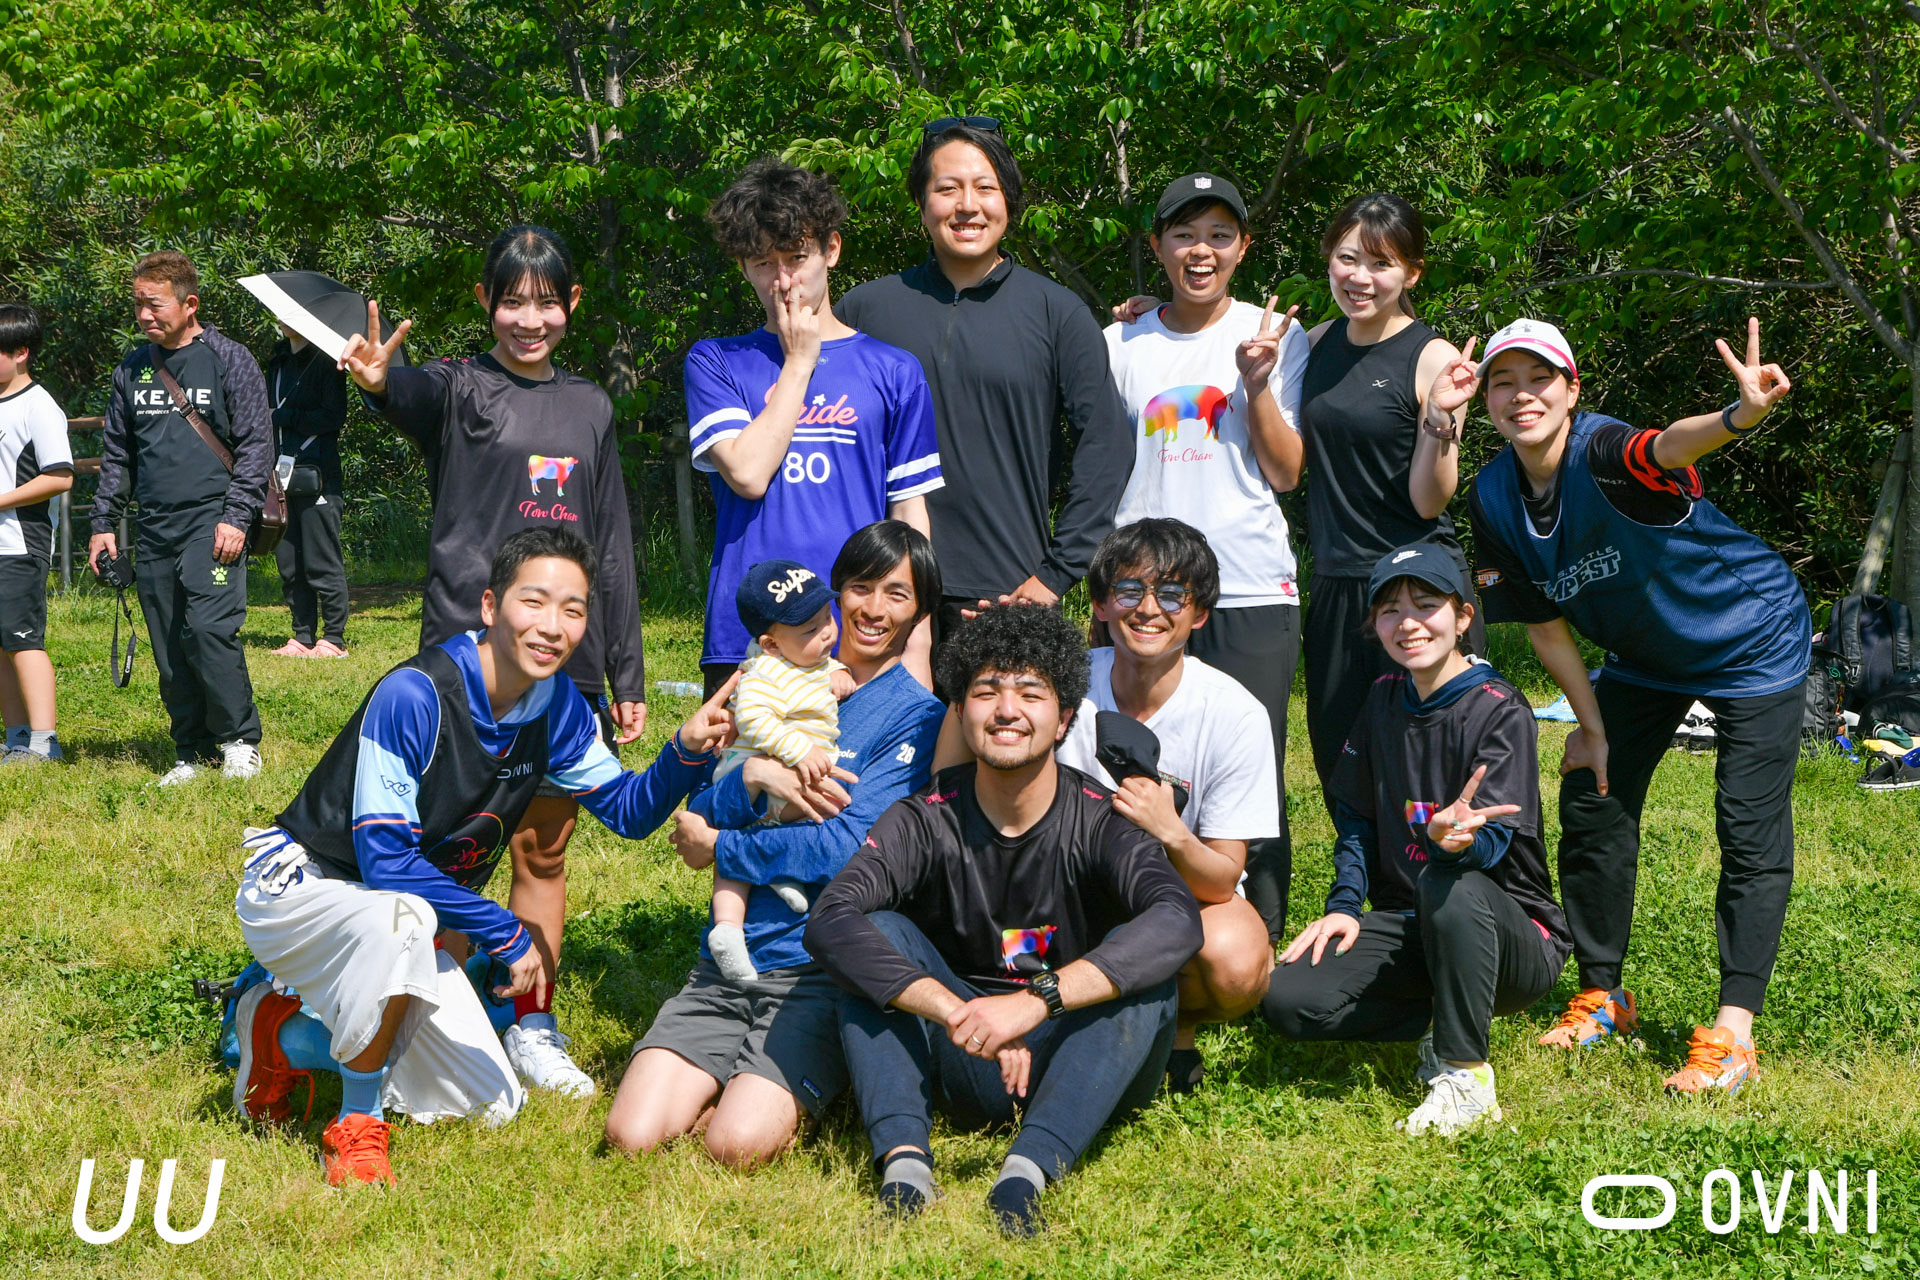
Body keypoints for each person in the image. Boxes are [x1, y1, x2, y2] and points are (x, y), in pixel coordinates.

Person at [229, 529, 735, 1187]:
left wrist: (686, 749)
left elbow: (630, 814)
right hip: (303, 886)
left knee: (490, 1102)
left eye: (573, 609)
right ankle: (357, 1123)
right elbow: (385, 862)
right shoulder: (416, 693)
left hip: (395, 913)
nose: (553, 626)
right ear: (492, 607)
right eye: (535, 602)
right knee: (406, 921)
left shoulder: (558, 706)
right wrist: (505, 931)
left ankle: (281, 1029)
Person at [1459, 316, 1808, 1093]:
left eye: (1540, 379)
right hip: (1646, 658)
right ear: (1486, 401)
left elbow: (1668, 447)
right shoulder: (1491, 495)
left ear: (1571, 389)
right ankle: (1604, 996)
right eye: (1503, 383)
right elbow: (1546, 628)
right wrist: (1591, 728)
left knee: (1747, 825)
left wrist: (1738, 416)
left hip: (1749, 636)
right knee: (1593, 790)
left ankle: (1733, 1032)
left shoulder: (1604, 450)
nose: (1522, 396)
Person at [339, 226, 644, 1097]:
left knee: (542, 852)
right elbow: (405, 392)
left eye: (546, 302)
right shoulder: (459, 388)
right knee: (447, 852)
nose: (529, 320)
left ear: (571, 304)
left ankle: (533, 1026)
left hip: (564, 665)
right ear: (486, 303)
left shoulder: (590, 406)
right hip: (466, 663)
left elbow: (610, 544)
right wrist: (379, 382)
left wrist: (623, 670)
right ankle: (421, 1014)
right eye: (512, 301)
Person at [806, 604, 1204, 1238]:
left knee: (1143, 971)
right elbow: (830, 920)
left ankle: (1026, 1174)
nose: (1007, 710)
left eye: (1030, 693)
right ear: (961, 711)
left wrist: (1034, 1003)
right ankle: (904, 1167)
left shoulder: (1101, 819)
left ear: (1064, 717)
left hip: (1079, 1056)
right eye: (987, 691)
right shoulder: (924, 817)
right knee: (872, 937)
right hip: (958, 1051)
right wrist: (957, 1011)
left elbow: (1178, 919)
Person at [604, 520, 945, 1169]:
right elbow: (703, 811)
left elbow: (848, 848)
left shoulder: (917, 717)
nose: (874, 608)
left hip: (815, 973)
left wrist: (723, 849)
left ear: (920, 609)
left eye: (897, 594)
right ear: (836, 593)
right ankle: (734, 1078)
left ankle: (782, 1089)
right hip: (727, 965)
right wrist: (754, 779)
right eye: (862, 587)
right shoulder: (772, 678)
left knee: (734, 1147)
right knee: (630, 1134)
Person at [1262, 543, 1569, 1135]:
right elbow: (1355, 818)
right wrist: (1344, 906)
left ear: (1463, 617)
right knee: (1286, 1000)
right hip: (1412, 925)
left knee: (1448, 882)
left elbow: (1495, 843)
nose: (1407, 623)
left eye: (1426, 605)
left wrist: (1456, 841)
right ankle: (1442, 1017)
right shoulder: (1382, 696)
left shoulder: (1500, 708)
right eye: (1389, 611)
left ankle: (1465, 1074)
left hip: (1512, 939)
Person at [1101, 173, 1310, 941]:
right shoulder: (1119, 343)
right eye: (1185, 234)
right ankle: (1131, 919)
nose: (1202, 251)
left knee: (1252, 763)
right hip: (1140, 591)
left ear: (1243, 247)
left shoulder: (1274, 334)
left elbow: (1286, 471)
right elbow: (1101, 468)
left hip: (1250, 583)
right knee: (1125, 755)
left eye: (1220, 235)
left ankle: (1258, 934)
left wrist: (1256, 384)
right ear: (1157, 246)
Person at [836, 117, 1132, 634]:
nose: (967, 205)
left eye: (985, 188)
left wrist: (1057, 574)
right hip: (878, 589)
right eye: (947, 188)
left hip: (1007, 594)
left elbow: (1106, 445)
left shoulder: (1056, 312)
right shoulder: (864, 311)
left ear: (1009, 202)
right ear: (921, 203)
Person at [1036, 519, 1279, 1093]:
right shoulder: (1059, 686)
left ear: (1200, 614)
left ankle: (1175, 1026)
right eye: (1129, 590)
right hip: (1061, 892)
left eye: (1172, 595)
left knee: (1237, 960)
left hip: (1174, 896)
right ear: (1100, 604)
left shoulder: (1236, 713)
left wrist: (1170, 831)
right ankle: (1059, 1015)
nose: (1148, 609)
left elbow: (1222, 879)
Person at [687, 158, 942, 695]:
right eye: (763, 262)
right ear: (743, 267)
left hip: (859, 632)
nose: (783, 280)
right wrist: (799, 361)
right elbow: (749, 474)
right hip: (750, 634)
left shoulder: (895, 370)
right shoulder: (716, 361)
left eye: (796, 257)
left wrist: (917, 640)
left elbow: (909, 516)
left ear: (832, 250)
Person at [1293, 194, 1481, 801]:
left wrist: (1439, 419)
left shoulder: (1434, 359)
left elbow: (1429, 501)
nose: (1360, 277)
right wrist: (1149, 313)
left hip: (1415, 585)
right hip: (1336, 583)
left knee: (1434, 772)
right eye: (1348, 258)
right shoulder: (1314, 343)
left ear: (1412, 274)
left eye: (1381, 263)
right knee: (1341, 769)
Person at [89, 250, 270, 784]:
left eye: (154, 304)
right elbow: (118, 455)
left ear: (190, 304)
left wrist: (237, 516)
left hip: (213, 523)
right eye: (137, 305)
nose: (144, 315)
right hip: (154, 528)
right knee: (168, 643)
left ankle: (239, 742)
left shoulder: (229, 358)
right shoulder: (131, 368)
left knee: (209, 630)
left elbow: (256, 446)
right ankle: (191, 751)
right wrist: (103, 524)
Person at [706, 558, 849, 980]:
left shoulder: (806, 658)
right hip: (748, 771)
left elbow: (817, 668)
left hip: (778, 771)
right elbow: (753, 720)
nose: (827, 632)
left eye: (828, 618)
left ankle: (772, 872)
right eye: (811, 629)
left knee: (781, 827)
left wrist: (838, 670)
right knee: (737, 841)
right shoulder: (765, 673)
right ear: (770, 644)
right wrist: (799, 750)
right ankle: (727, 928)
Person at [0, 303, 75, 765]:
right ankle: (17, 738)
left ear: (21, 352)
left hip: (20, 545)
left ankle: (45, 743)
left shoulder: (39, 406)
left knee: (23, 641)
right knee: (1, 646)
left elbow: (60, 476)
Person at [266, 322, 351, 658]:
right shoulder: (277, 361)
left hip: (319, 476)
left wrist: (284, 416)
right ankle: (301, 636)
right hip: (282, 476)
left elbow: (333, 417)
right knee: (289, 562)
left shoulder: (327, 361)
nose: (283, 320)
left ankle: (334, 638)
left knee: (321, 559)